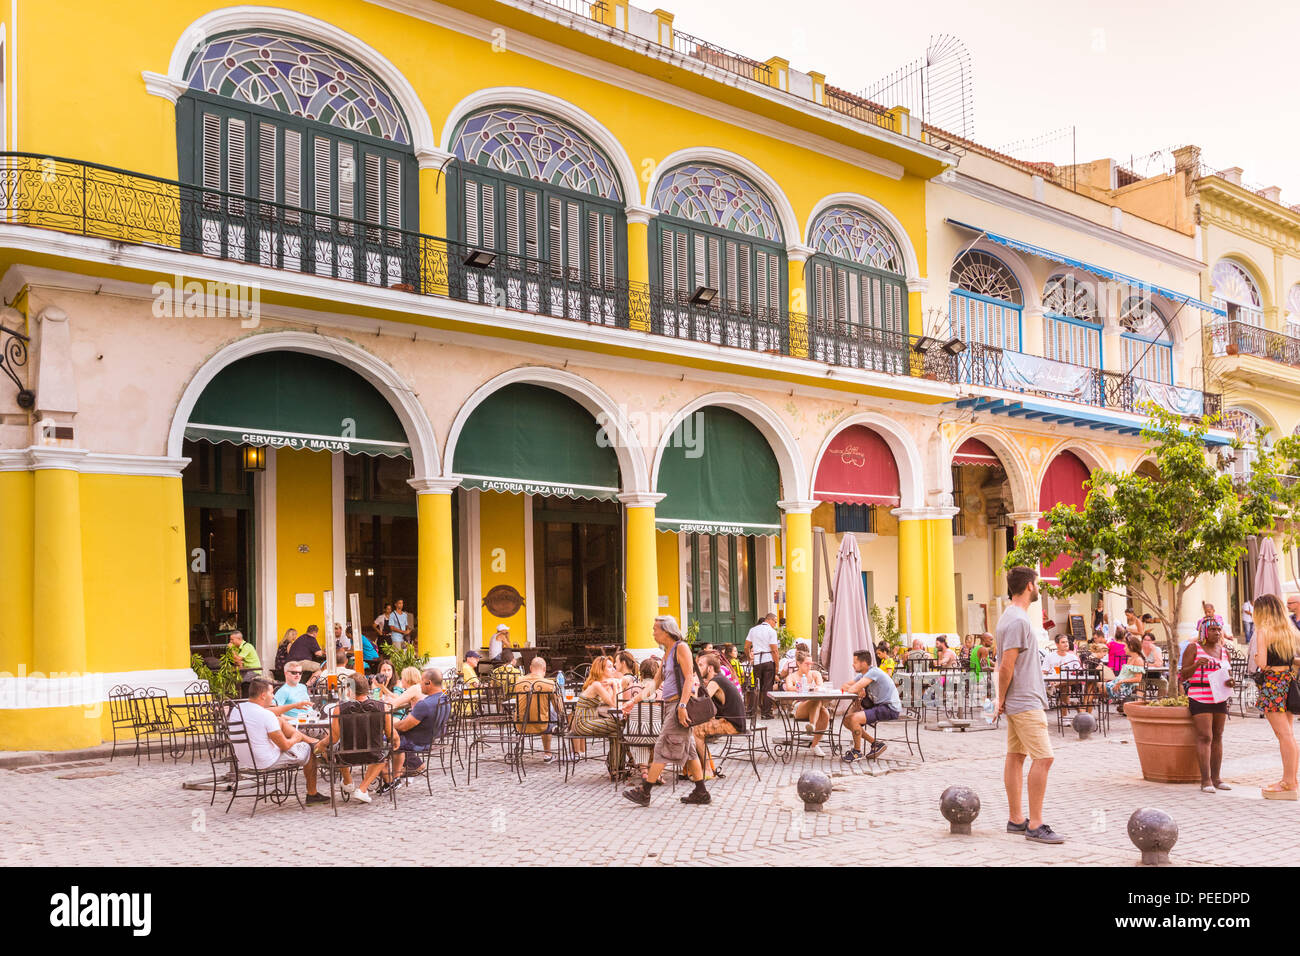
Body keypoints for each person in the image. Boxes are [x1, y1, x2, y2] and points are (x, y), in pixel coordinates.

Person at [995, 567, 1064, 844]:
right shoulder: (1019, 621)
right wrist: (1000, 698)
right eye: (1037, 584)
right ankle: (1035, 824)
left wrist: (1003, 699)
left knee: (1016, 755)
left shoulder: (1009, 617)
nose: (1038, 588)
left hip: (1018, 698)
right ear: (1029, 586)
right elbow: (1006, 665)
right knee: (1044, 758)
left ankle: (1016, 818)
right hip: (1024, 700)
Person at [623, 616, 711, 807]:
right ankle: (701, 791)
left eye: (656, 629)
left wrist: (682, 706)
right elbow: (655, 683)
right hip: (671, 705)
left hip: (679, 705)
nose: (653, 632)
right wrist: (633, 701)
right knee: (689, 752)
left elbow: (689, 678)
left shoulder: (681, 648)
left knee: (662, 747)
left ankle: (645, 792)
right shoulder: (667, 653)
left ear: (666, 631)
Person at [232, 678, 328, 805]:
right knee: (308, 749)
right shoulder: (266, 716)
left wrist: (295, 705)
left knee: (280, 720)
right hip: (264, 760)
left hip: (244, 759)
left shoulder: (238, 709)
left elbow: (271, 712)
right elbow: (285, 746)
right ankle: (312, 794)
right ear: (263, 695)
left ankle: (313, 741)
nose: (273, 697)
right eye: (272, 693)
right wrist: (296, 737)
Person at [310, 674, 392, 804]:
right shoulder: (383, 706)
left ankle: (348, 782)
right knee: (383, 756)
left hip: (346, 757)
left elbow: (334, 737)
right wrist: (396, 741)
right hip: (373, 754)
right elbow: (390, 734)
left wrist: (321, 744)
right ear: (367, 688)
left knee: (336, 748)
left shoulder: (339, 708)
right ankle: (362, 789)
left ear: (350, 690)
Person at [1252, 594, 1300, 799]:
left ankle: (1288, 782)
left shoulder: (1264, 631)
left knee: (1284, 735)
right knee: (1288, 734)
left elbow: (1261, 662)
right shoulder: (1291, 631)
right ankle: (1290, 779)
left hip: (1273, 684)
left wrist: (1257, 658)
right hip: (1289, 681)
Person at [1179, 619, 1234, 793]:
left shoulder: (1224, 651)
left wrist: (1231, 681)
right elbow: (1183, 675)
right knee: (1205, 737)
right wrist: (1196, 665)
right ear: (1203, 632)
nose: (1217, 633)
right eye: (1213, 630)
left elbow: (1228, 674)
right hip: (1200, 695)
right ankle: (1205, 780)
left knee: (1218, 736)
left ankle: (1217, 778)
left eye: (1219, 630)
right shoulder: (1193, 648)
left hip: (1220, 696)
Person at [690, 652, 746, 780]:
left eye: (700, 665)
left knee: (696, 731)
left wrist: (695, 685)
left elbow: (701, 702)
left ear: (710, 668)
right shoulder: (719, 679)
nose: (697, 668)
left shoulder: (715, 682)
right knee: (698, 728)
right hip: (734, 721)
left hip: (732, 724)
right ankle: (706, 767)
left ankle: (708, 770)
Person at [841, 649, 901, 761]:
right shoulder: (862, 675)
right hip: (880, 706)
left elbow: (851, 689)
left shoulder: (874, 672)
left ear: (863, 663)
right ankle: (875, 743)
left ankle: (857, 752)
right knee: (847, 720)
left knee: (854, 718)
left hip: (889, 707)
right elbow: (845, 686)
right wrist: (857, 690)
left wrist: (857, 689)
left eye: (855, 662)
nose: (852, 665)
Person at [390, 668, 450, 781]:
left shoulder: (425, 704)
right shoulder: (444, 698)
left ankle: (391, 779)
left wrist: (389, 726)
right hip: (432, 737)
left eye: (421, 681)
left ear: (429, 683)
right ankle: (397, 774)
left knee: (383, 741)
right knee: (391, 737)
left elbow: (404, 726)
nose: (420, 684)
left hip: (419, 742)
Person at [569, 656, 624, 776]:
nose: (613, 669)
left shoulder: (602, 685)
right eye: (609, 667)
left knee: (617, 732)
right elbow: (614, 704)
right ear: (600, 669)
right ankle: (618, 766)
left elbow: (616, 703)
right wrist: (615, 685)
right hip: (582, 723)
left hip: (590, 721)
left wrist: (615, 684)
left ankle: (616, 768)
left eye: (613, 666)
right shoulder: (596, 685)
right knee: (622, 726)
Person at [513, 656, 562, 762]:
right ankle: (548, 753)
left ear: (530, 668)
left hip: (521, 725)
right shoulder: (549, 684)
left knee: (544, 708)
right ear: (544, 669)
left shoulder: (519, 682)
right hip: (542, 725)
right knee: (551, 710)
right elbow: (559, 708)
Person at [784, 650, 829, 757]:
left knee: (825, 713)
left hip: (817, 706)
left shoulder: (815, 674)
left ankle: (814, 744)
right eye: (806, 664)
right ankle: (812, 727)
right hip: (800, 707)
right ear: (799, 663)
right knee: (815, 700)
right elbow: (789, 688)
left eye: (811, 664)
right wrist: (808, 688)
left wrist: (815, 688)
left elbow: (821, 687)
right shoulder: (792, 676)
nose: (809, 667)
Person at [745, 611, 780, 720]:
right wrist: (777, 666)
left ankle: (751, 711)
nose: (775, 624)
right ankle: (766, 713)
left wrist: (749, 657)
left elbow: (746, 647)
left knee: (755, 686)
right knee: (767, 687)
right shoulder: (771, 631)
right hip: (768, 660)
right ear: (769, 620)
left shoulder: (753, 629)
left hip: (757, 662)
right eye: (775, 622)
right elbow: (774, 650)